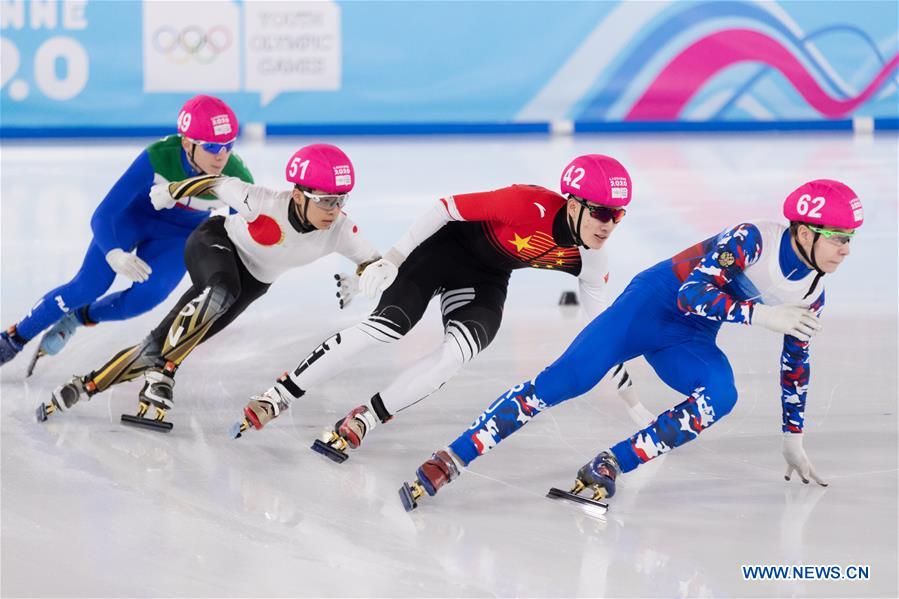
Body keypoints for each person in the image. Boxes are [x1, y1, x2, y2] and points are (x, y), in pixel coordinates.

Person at [398, 179, 863, 510]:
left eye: (851, 240)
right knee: (563, 382)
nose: (846, 250)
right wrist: (762, 315)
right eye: (839, 238)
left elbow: (796, 365)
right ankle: (452, 456)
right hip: (648, 307)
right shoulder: (754, 238)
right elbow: (692, 294)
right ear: (806, 232)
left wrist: (793, 438)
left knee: (721, 396)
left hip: (689, 337)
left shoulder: (811, 294)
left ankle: (609, 464)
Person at [233, 154, 653, 461]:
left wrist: (633, 403)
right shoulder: (525, 204)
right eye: (602, 213)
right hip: (440, 253)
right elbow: (444, 208)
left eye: (618, 216)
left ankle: (366, 418)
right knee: (386, 328)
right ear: (574, 204)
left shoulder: (591, 258)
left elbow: (604, 333)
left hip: (486, 280)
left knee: (456, 355)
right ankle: (278, 395)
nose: (609, 225)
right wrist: (393, 258)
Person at [37, 144, 380, 431]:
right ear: (298, 195)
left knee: (165, 340)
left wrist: (361, 278)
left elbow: (377, 264)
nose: (333, 210)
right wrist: (172, 191)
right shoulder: (262, 201)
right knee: (221, 292)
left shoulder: (341, 231)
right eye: (325, 200)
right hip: (214, 243)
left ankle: (85, 386)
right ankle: (165, 373)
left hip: (252, 283)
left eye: (341, 200)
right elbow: (217, 183)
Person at [0, 95, 252, 375]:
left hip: (177, 237)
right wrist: (113, 252)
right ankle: (13, 338)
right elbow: (103, 214)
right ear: (186, 143)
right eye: (212, 146)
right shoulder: (159, 157)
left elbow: (241, 233)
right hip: (131, 219)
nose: (221, 156)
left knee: (145, 299)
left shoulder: (236, 177)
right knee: (87, 286)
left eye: (228, 145)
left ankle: (79, 317)